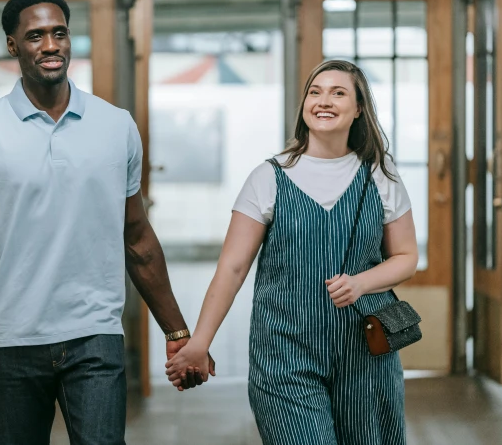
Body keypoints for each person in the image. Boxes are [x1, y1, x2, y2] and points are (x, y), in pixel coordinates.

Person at [0, 0, 213, 445]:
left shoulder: (116, 126)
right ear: (12, 45)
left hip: (94, 335)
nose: (51, 45)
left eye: (60, 33)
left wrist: (175, 329)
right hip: (12, 339)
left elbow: (136, 237)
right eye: (35, 36)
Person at [165, 59, 418, 444]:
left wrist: (361, 283)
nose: (324, 100)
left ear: (359, 108)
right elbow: (232, 268)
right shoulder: (268, 177)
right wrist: (200, 342)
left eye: (338, 92)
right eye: (315, 92)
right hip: (284, 354)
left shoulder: (380, 176)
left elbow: (406, 257)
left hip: (365, 356)